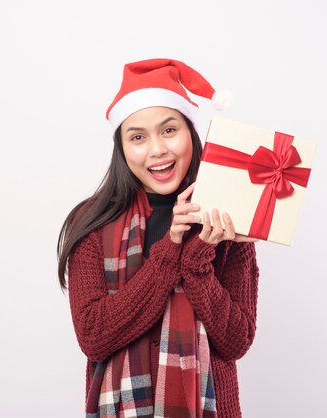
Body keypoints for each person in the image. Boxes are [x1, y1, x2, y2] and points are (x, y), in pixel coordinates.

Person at [57, 58, 260, 417]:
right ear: (121, 148)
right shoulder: (91, 223)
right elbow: (94, 336)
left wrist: (198, 258)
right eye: (138, 137)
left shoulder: (227, 219)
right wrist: (170, 251)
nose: (157, 150)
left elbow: (235, 341)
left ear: (190, 134)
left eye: (169, 130)